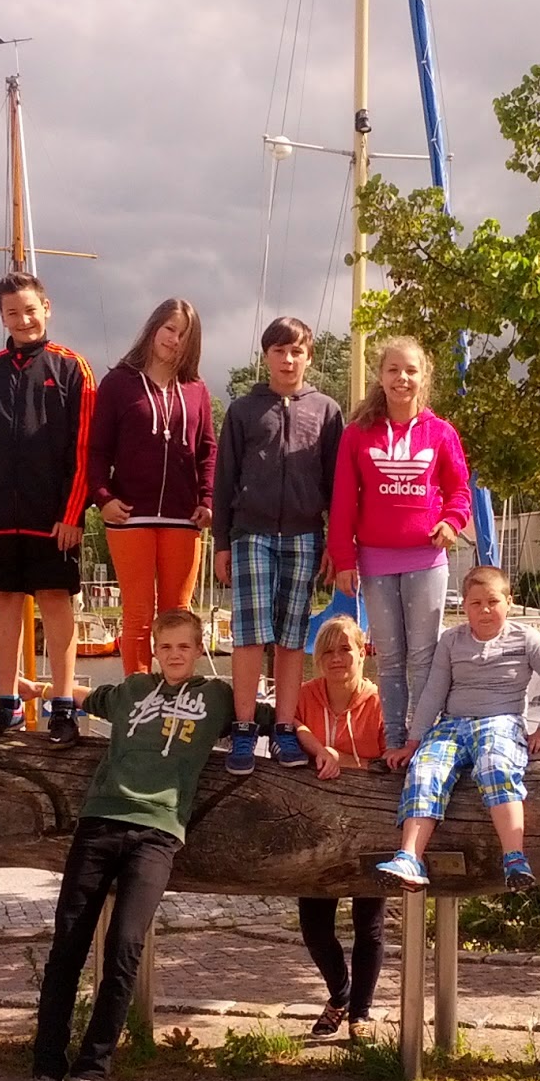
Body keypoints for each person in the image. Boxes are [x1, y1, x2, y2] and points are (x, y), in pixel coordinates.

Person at [18, 608, 254, 1081]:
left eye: (184, 646)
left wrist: (318, 743)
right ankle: (46, 1076)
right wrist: (38, 690)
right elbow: (84, 696)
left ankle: (90, 1074)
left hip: (158, 833)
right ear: (154, 651)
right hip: (100, 822)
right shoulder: (132, 690)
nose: (175, 654)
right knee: (67, 947)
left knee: (125, 946)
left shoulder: (217, 697)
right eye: (166, 646)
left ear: (199, 650)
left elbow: (269, 714)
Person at [0, 271, 97, 745]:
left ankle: (64, 705)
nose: (23, 319)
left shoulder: (71, 367)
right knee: (6, 603)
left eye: (30, 309)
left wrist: (73, 513)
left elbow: (85, 449)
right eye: (13, 312)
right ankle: (7, 701)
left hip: (52, 516)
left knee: (55, 601)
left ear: (46, 308)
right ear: (2, 316)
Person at [379, 566, 540, 892]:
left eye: (493, 601)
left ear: (509, 602)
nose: (485, 610)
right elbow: (433, 693)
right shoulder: (451, 640)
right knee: (426, 769)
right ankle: (410, 856)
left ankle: (514, 856)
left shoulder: (525, 638)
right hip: (453, 723)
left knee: (494, 766)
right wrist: (414, 741)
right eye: (476, 603)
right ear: (465, 607)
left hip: (501, 720)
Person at [213, 315, 345, 773]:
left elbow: (338, 485)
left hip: (306, 535)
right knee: (250, 636)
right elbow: (224, 480)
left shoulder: (326, 410)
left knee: (291, 638)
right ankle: (244, 729)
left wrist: (335, 542)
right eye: (279, 351)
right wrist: (222, 542)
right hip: (251, 533)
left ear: (309, 356)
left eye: (296, 351)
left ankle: (285, 728)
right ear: (266, 356)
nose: (288, 360)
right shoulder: (243, 411)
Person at [327, 336, 471, 749]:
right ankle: (394, 741)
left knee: (424, 656)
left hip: (426, 559)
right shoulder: (357, 434)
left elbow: (459, 491)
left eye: (410, 370)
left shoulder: (440, 433)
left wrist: (452, 522)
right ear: (380, 375)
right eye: (393, 370)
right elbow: (343, 501)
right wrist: (343, 558)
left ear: (424, 376)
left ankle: (421, 741)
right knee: (389, 658)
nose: (402, 378)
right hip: (375, 561)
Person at [88, 298, 216, 677]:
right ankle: (137, 695)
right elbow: (97, 450)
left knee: (177, 615)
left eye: (184, 335)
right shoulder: (118, 383)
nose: (174, 340)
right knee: (138, 616)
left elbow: (208, 449)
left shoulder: (196, 388)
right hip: (130, 516)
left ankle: (176, 694)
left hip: (183, 518)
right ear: (154, 328)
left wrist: (207, 498)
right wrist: (103, 498)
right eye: (170, 329)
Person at [289, 614, 388, 1040]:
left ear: (361, 653)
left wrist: (343, 760)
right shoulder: (306, 694)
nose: (336, 658)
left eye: (345, 649)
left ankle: (360, 1014)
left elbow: (388, 764)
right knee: (314, 928)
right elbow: (292, 724)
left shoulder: (380, 702)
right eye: (327, 650)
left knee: (370, 926)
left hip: (369, 823)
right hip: (316, 824)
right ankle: (340, 993)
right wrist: (318, 748)